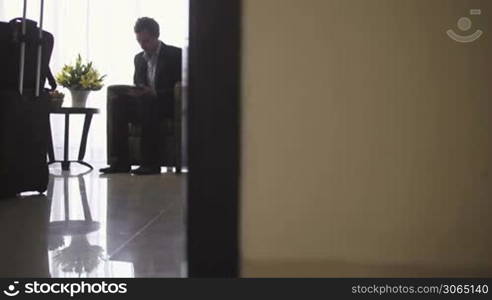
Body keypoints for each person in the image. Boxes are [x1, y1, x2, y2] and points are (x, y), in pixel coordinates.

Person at [100, 17, 182, 175]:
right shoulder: (139, 59)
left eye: (146, 41)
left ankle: (150, 163)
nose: (143, 45)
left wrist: (156, 93)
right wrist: (135, 91)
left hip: (167, 104)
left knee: (150, 102)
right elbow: (138, 82)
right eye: (139, 41)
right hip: (145, 103)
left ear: (156, 36)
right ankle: (120, 162)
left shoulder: (175, 55)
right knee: (119, 103)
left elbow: (181, 86)